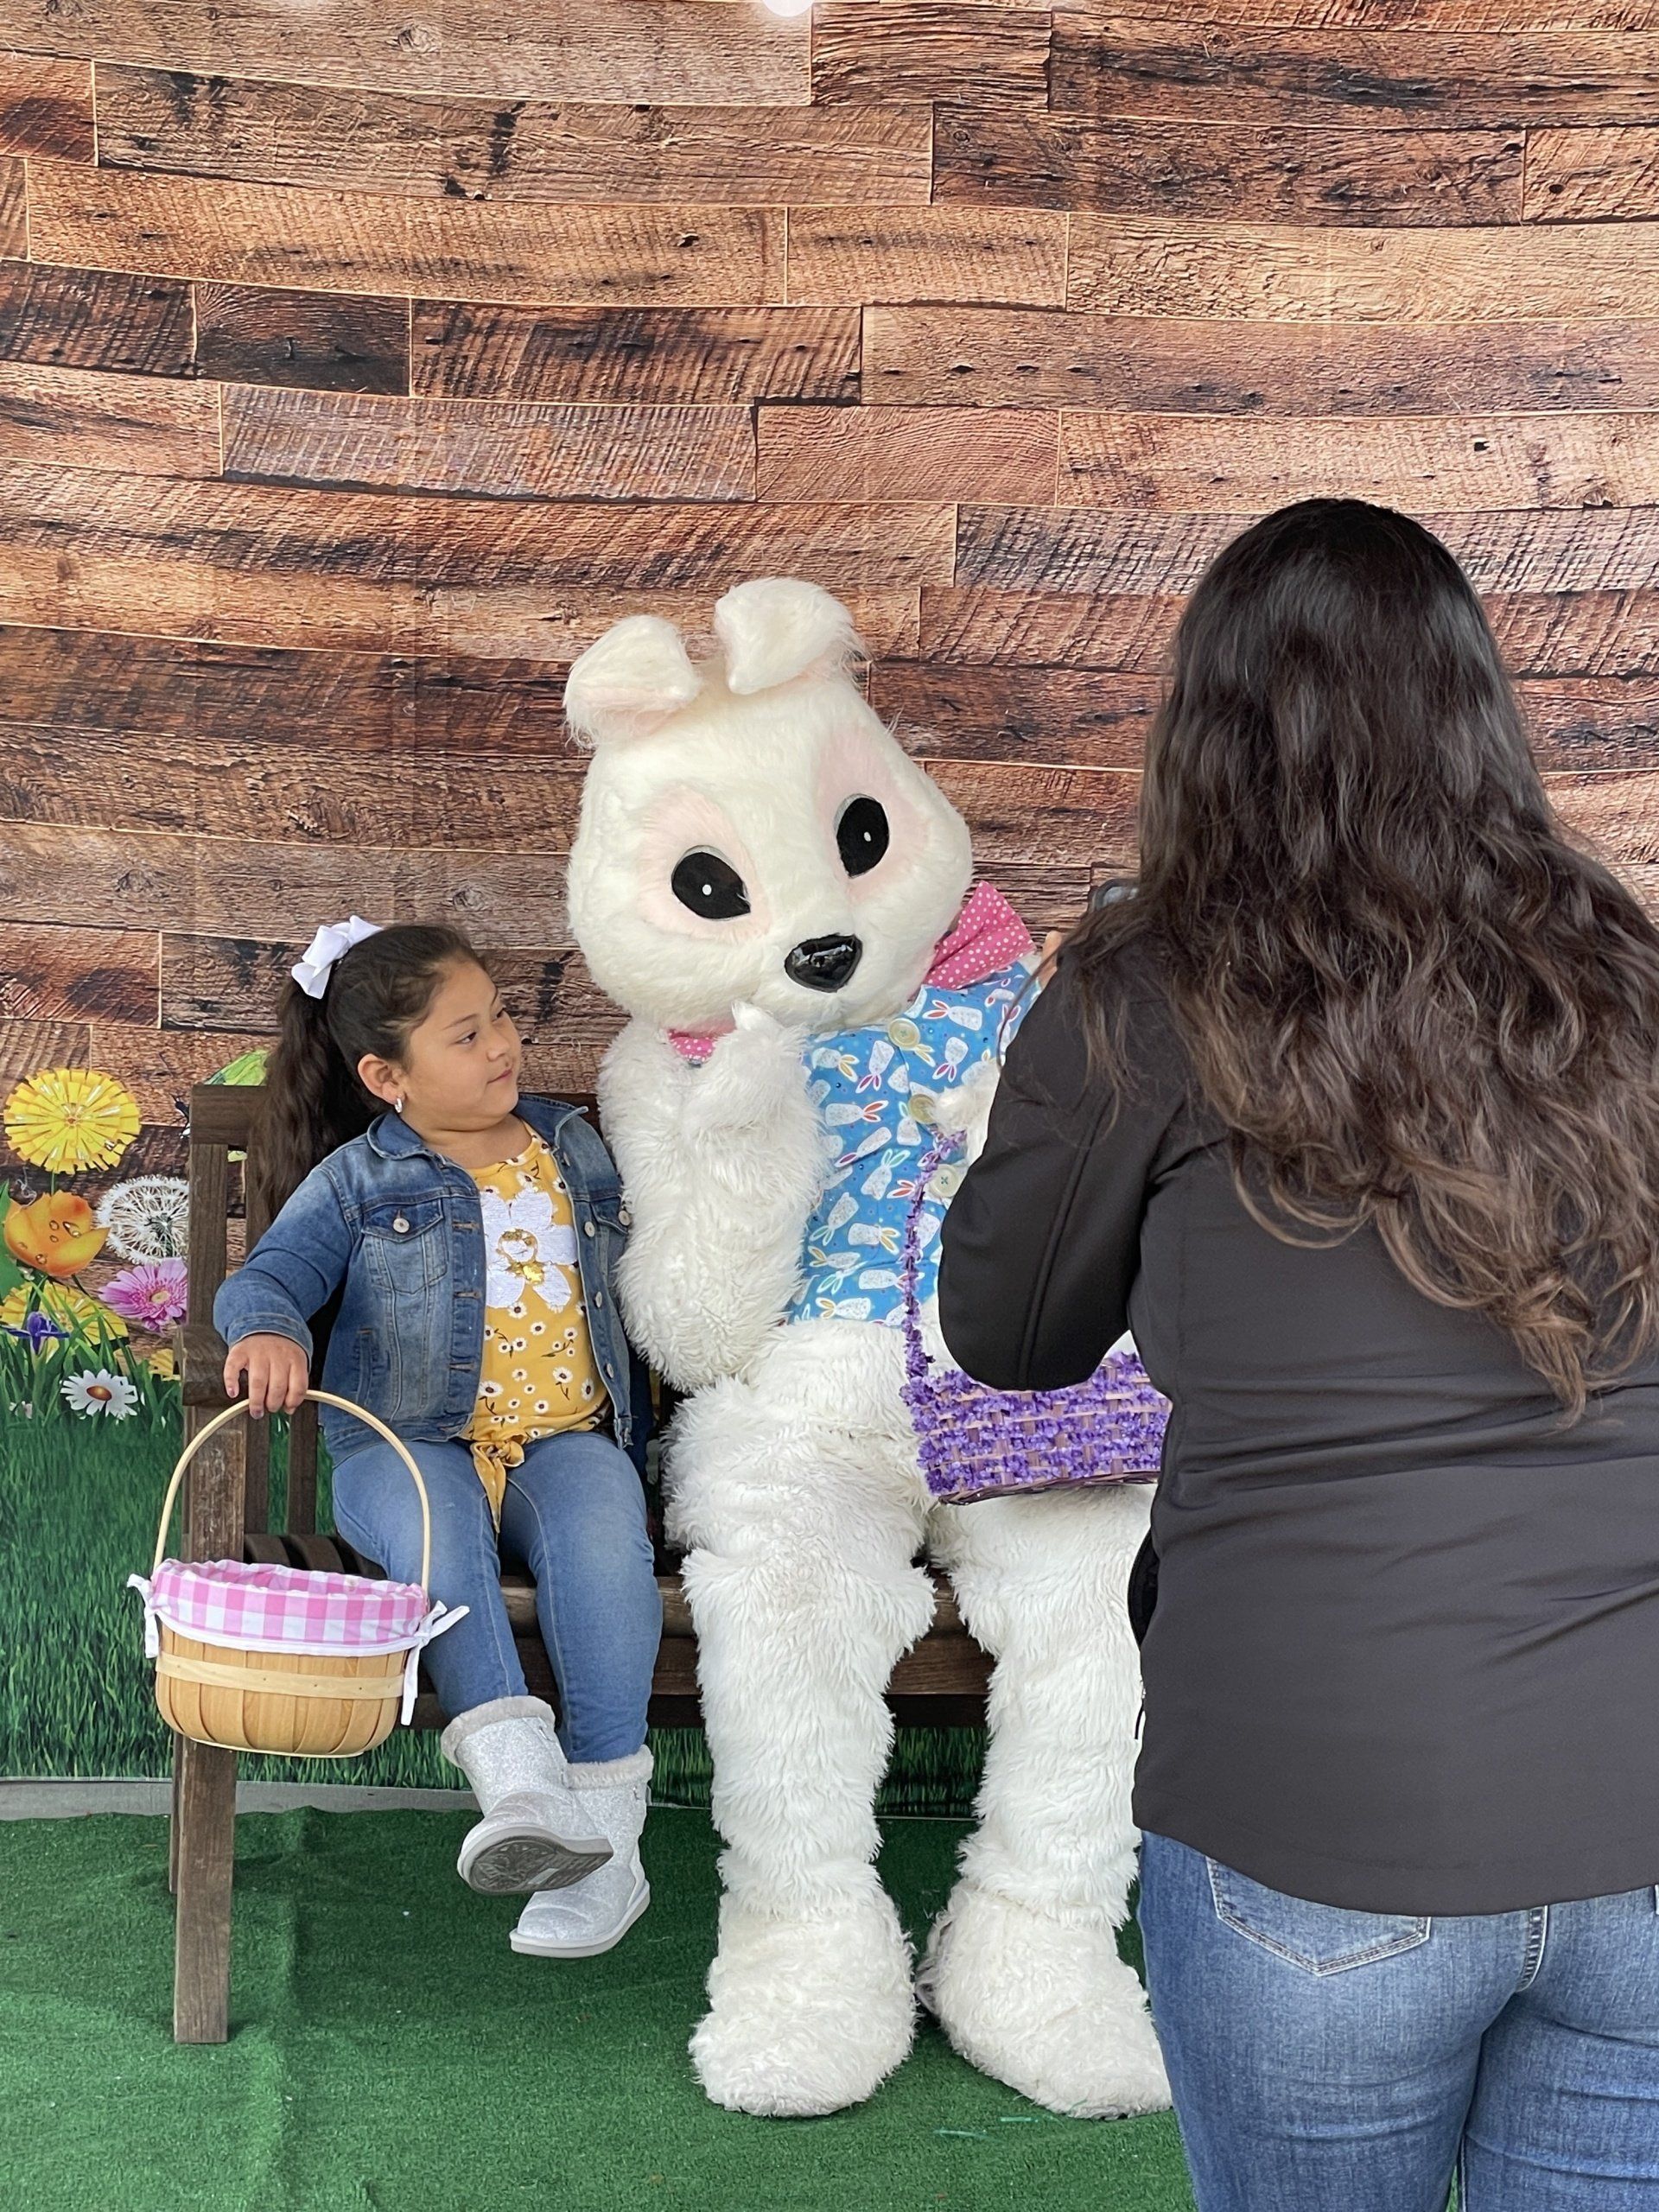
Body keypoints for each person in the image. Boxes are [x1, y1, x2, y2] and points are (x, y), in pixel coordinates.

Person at [937, 499, 1659, 2210]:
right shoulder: (1626, 980)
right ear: (1476, 708)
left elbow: (1010, 1331)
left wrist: (1056, 1059)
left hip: (1314, 1821)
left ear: (1210, 727)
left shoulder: (1143, 995)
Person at [216, 917, 663, 1959]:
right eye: (466, 1036)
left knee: (607, 1551)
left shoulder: (572, 1143)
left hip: (562, 1441)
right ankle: (520, 1791)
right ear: (387, 1076)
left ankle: (608, 1848)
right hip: (404, 1445)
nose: (502, 1043)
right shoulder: (359, 1182)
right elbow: (268, 1279)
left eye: (500, 1015)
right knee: (438, 1532)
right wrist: (274, 1331)